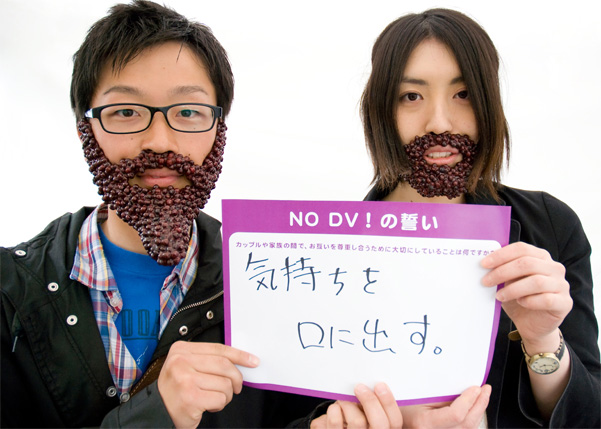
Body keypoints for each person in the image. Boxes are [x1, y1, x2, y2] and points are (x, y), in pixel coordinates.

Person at [0, 1, 322, 427]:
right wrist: (156, 413)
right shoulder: (9, 290)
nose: (159, 141)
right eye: (126, 112)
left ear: (219, 130)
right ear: (85, 129)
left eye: (188, 112)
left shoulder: (279, 283)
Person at [307, 8, 600, 429]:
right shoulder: (327, 248)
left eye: (463, 94)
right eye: (412, 96)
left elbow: (588, 416)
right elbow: (288, 412)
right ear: (380, 110)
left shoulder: (550, 227)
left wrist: (542, 340)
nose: (439, 122)